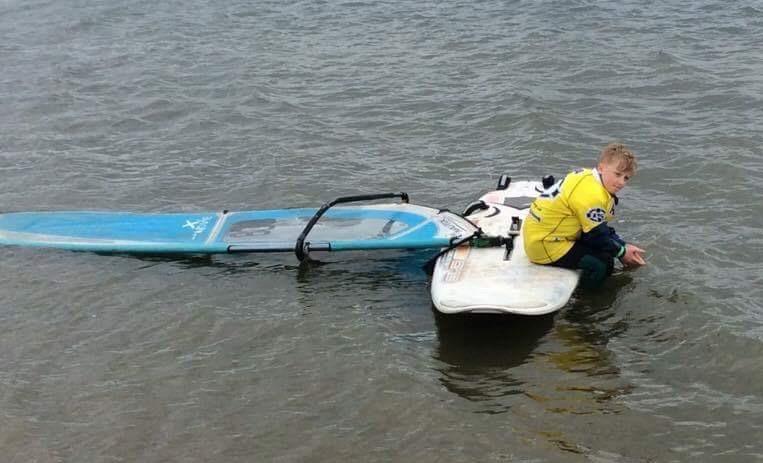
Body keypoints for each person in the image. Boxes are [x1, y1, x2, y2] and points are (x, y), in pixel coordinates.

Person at [522, 142, 646, 288]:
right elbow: (595, 235)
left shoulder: (588, 177)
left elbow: (600, 229)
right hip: (545, 244)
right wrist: (621, 252)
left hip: (543, 234)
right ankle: (585, 306)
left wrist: (623, 246)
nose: (621, 182)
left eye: (626, 178)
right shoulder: (593, 195)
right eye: (617, 174)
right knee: (601, 264)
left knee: (607, 252)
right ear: (601, 167)